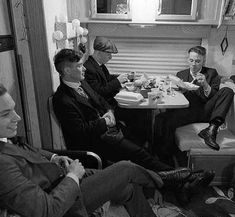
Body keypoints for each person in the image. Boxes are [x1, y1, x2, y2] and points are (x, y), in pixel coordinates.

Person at [0, 82, 171, 217]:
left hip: (59, 174)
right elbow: (47, 212)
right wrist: (73, 176)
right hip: (61, 199)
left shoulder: (5, 138)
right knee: (126, 167)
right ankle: (168, 180)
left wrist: (53, 157)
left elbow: (30, 150)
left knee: (127, 185)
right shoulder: (2, 165)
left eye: (14, 110)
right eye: (6, 114)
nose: (17, 118)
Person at [52, 48, 214, 194]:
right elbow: (80, 132)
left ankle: (179, 181)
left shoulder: (81, 82)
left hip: (108, 129)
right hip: (96, 140)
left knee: (141, 143)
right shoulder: (62, 99)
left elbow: (100, 100)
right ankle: (186, 176)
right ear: (67, 70)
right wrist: (104, 122)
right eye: (79, 66)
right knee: (140, 153)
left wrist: (109, 111)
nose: (84, 68)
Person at [155, 46, 234, 164]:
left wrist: (206, 85)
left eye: (198, 61)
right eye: (191, 60)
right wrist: (178, 91)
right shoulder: (181, 74)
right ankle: (166, 156)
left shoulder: (211, 73)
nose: (194, 64)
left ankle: (211, 129)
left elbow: (215, 96)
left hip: (206, 110)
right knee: (161, 119)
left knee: (227, 91)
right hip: (188, 112)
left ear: (203, 61)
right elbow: (177, 97)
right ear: (188, 60)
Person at [84, 36, 148, 144]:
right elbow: (99, 91)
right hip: (105, 107)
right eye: (108, 54)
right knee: (139, 113)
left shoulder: (99, 65)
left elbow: (107, 79)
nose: (110, 57)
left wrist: (124, 77)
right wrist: (118, 81)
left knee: (143, 112)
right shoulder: (89, 68)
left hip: (109, 102)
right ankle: (139, 143)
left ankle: (141, 141)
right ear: (99, 53)